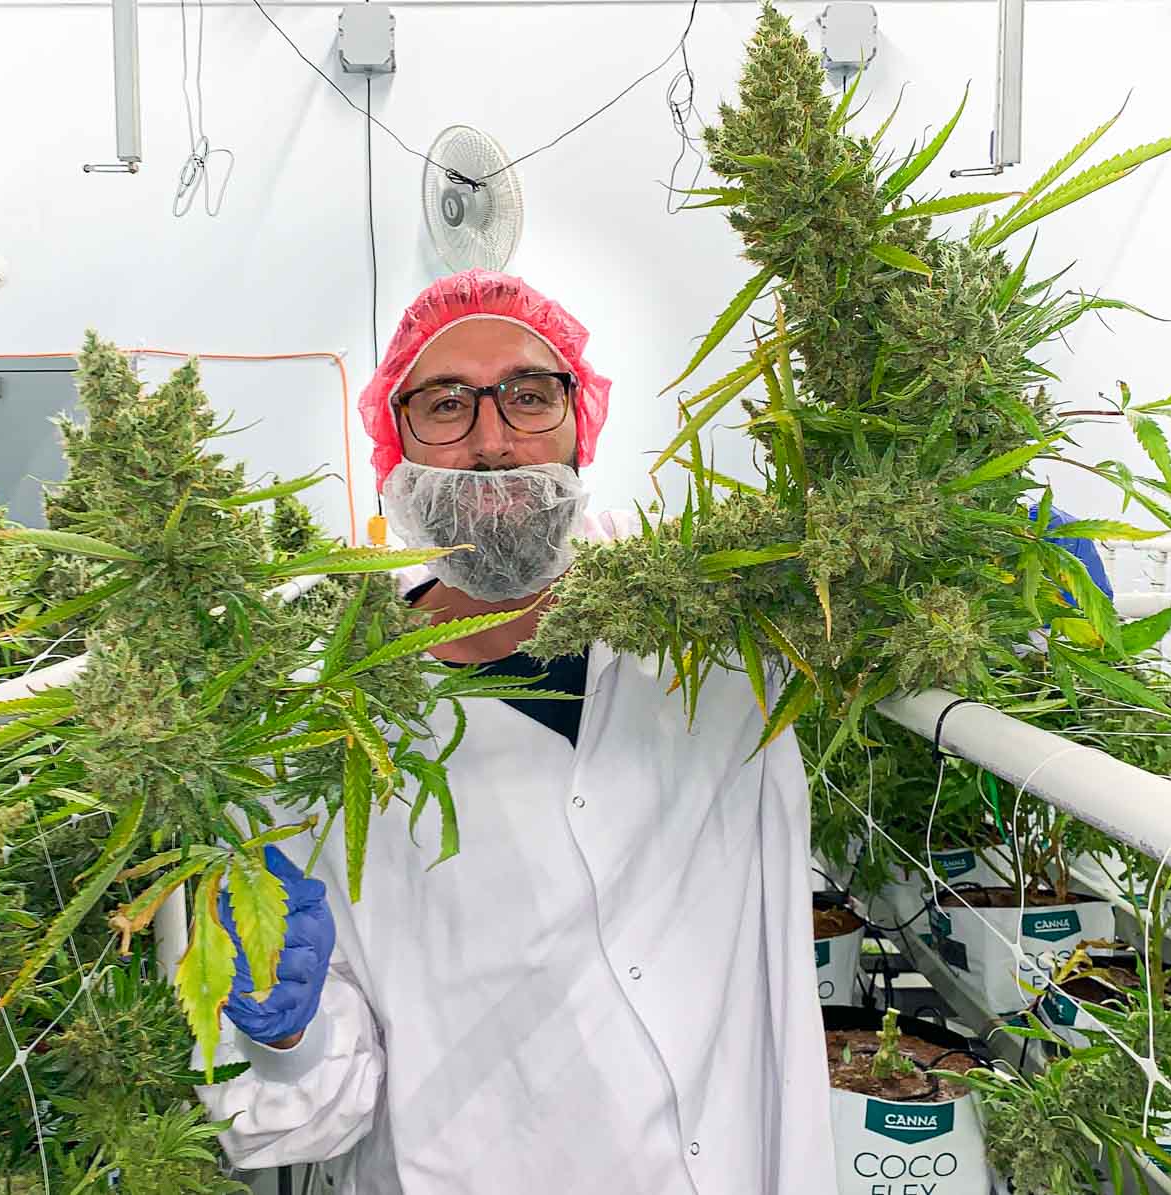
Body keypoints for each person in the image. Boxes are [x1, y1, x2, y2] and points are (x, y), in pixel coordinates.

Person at [194, 270, 837, 1195]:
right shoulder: (318, 719)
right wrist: (286, 1036)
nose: (494, 442)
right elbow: (314, 1113)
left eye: (530, 396)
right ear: (394, 441)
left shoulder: (726, 645)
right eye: (447, 404)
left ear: (581, 422)